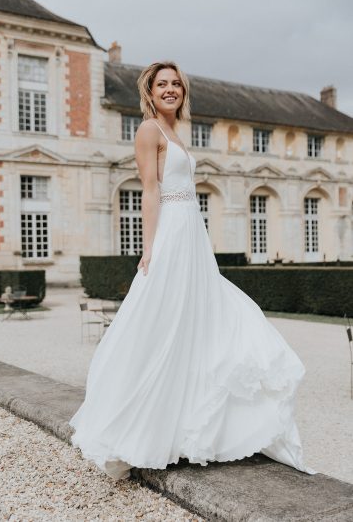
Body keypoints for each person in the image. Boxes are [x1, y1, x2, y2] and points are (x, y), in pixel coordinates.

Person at [69, 61, 317, 480]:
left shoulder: (175, 132)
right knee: (164, 324)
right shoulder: (149, 130)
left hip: (192, 234)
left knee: (199, 323)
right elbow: (149, 189)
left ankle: (187, 427)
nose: (170, 89)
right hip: (172, 232)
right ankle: (142, 429)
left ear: (183, 91)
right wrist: (150, 249)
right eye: (161, 84)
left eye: (176, 84)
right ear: (149, 91)